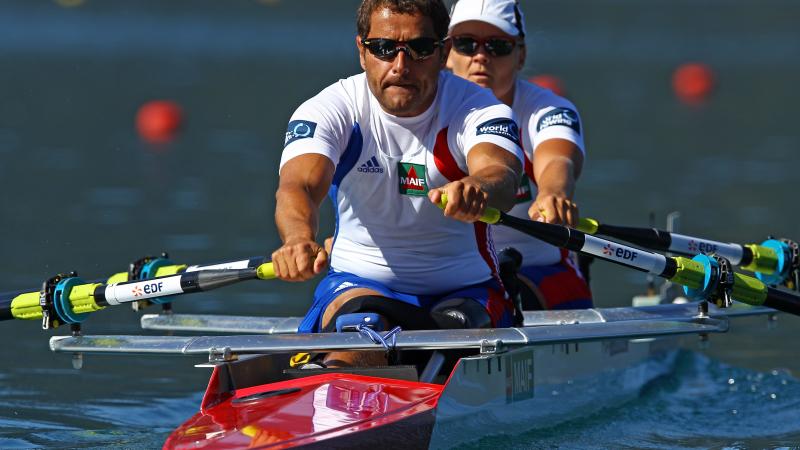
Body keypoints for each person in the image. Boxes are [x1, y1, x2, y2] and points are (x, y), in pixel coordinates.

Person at [272, 0, 523, 367]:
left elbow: (501, 173)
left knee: (450, 336)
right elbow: (299, 186)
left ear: (443, 52)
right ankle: (342, 386)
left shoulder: (478, 109)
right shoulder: (330, 109)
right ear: (362, 51)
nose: (400, 66)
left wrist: (478, 189)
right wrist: (296, 239)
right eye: (384, 49)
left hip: (465, 293)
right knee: (361, 324)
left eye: (420, 49)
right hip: (358, 285)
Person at [446, 0, 593, 311]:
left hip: (540, 274)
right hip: (450, 277)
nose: (480, 56)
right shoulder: (419, 111)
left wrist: (553, 193)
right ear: (447, 52)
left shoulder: (549, 110)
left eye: (497, 46)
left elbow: (557, 159)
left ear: (521, 55)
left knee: (474, 307)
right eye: (466, 44)